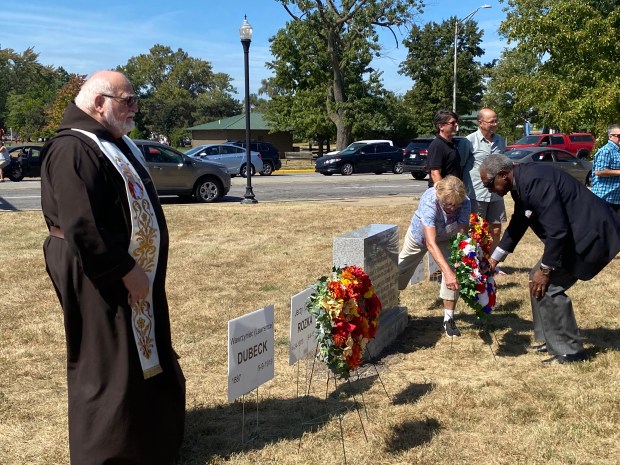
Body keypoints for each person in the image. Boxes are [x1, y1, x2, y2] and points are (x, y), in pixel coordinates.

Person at [40, 70, 185, 464]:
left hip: (127, 268)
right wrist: (126, 271)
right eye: (128, 100)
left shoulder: (110, 142)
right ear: (99, 102)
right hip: (96, 270)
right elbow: (81, 224)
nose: (135, 109)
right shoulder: (73, 148)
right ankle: (108, 452)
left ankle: (147, 437)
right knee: (108, 358)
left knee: (133, 354)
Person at [479, 154, 620, 364]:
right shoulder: (522, 182)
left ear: (503, 175)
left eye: (490, 184)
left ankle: (570, 352)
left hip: (590, 235)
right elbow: (519, 222)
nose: (489, 190)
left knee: (549, 287)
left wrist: (545, 270)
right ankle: (551, 339)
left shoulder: (535, 182)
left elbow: (557, 231)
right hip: (573, 235)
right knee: (533, 279)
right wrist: (494, 259)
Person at [398, 175, 471, 337]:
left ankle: (449, 319)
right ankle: (389, 298)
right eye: (447, 204)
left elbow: (461, 233)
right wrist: (446, 272)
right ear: (439, 196)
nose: (452, 208)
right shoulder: (430, 200)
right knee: (400, 269)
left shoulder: (465, 202)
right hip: (420, 237)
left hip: (447, 237)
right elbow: (430, 243)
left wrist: (458, 260)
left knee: (454, 271)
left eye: (455, 205)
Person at [460, 108, 506, 251]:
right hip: (476, 194)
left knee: (496, 230)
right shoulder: (468, 141)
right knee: (476, 230)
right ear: (480, 123)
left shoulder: (500, 141)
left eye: (496, 120)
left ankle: (492, 263)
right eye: (491, 121)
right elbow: (461, 165)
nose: (495, 124)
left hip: (496, 194)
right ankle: (475, 263)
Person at [427, 109, 461, 187]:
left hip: (454, 192)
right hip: (443, 194)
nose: (456, 125)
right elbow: (435, 173)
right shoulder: (437, 145)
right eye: (452, 123)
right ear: (441, 126)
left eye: (456, 122)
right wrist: (444, 194)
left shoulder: (452, 143)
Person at [591, 124, 620, 213]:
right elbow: (599, 171)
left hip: (616, 198)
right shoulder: (606, 151)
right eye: (619, 136)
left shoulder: (618, 151)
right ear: (610, 136)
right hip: (604, 198)